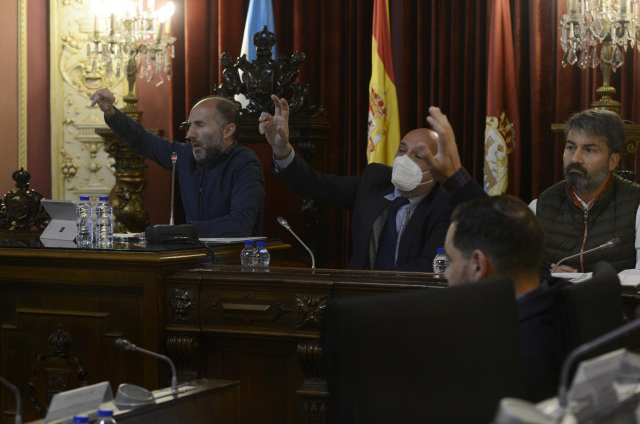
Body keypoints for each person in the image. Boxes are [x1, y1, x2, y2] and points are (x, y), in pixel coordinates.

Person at [258, 94, 483, 271]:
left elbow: (427, 266)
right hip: (359, 299)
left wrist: (377, 291)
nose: (405, 160)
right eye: (401, 151)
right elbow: (316, 185)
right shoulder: (374, 181)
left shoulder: (446, 205)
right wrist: (281, 150)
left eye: (418, 155)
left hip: (413, 306)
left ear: (438, 164)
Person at [90, 88, 265, 237]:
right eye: (189, 126)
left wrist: (174, 233)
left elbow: (239, 226)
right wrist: (111, 112)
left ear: (228, 130)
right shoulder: (185, 155)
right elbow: (142, 141)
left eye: (200, 125)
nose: (190, 134)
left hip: (233, 264)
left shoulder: (245, 163)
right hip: (191, 261)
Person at [444, 194, 567, 402]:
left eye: (450, 261)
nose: (446, 274)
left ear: (478, 265)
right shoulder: (562, 306)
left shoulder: (500, 359)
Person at [530, 109, 640, 273]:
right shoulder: (541, 205)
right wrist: (546, 273)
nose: (575, 158)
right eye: (570, 147)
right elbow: (517, 269)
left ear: (612, 161)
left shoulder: (635, 204)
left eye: (589, 150)